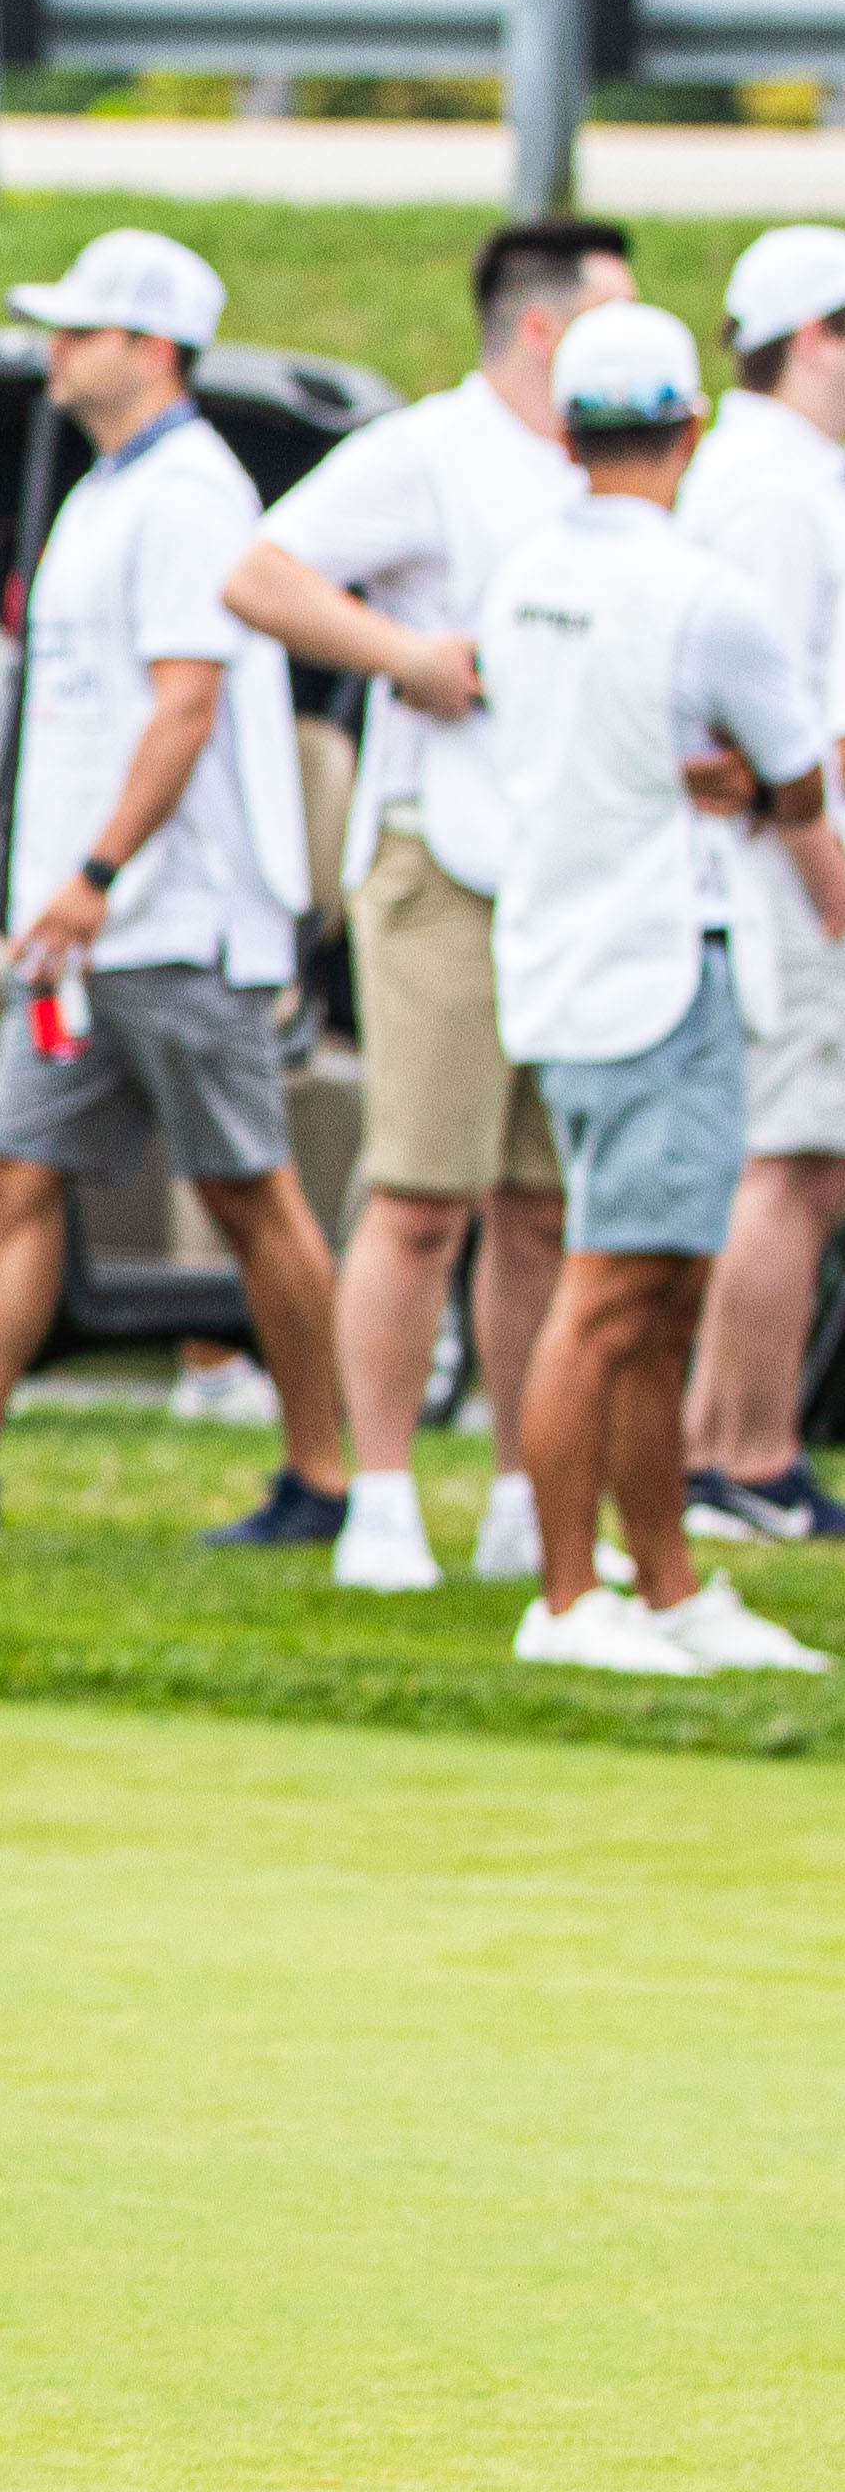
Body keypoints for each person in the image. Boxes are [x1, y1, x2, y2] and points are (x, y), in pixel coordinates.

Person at [0, 232, 350, 1548]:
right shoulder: (112, 486)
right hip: (85, 931)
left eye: (81, 330)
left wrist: (97, 874)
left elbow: (184, 706)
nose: (55, 349)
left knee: (245, 1191)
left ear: (149, 349)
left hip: (172, 920)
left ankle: (331, 1480)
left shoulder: (186, 496)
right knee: (7, 1166)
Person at [223, 218, 630, 1592]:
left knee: (534, 1207)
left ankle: (526, 1485)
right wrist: (406, 654)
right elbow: (261, 572)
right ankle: (383, 1496)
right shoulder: (431, 450)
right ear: (537, 325)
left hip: (564, 869)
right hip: (438, 861)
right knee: (418, 1194)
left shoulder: (603, 471)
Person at [472, 301, 840, 1678]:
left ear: (565, 433)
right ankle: (572, 1602)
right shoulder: (703, 594)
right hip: (659, 964)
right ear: (686, 426)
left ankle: (667, 1586)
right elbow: (799, 774)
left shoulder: (517, 579)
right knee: (612, 1295)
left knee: (655, 1294)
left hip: (564, 958)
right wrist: (749, 784)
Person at [680, 226, 845, 1543]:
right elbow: (765, 725)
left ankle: (741, 1447)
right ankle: (740, 1454)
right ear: (811, 337)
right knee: (783, 1165)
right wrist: (829, 881)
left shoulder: (776, 474)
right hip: (786, 882)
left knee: (804, 1165)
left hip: (782, 871)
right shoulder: (778, 491)